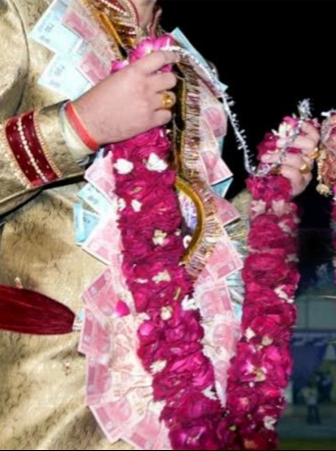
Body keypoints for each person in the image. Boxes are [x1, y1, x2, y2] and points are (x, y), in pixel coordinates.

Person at [0, 0, 318, 449]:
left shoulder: (191, 66)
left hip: (191, 389)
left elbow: (192, 249)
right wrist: (76, 128)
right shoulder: (21, 14)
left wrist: (266, 198)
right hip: (49, 390)